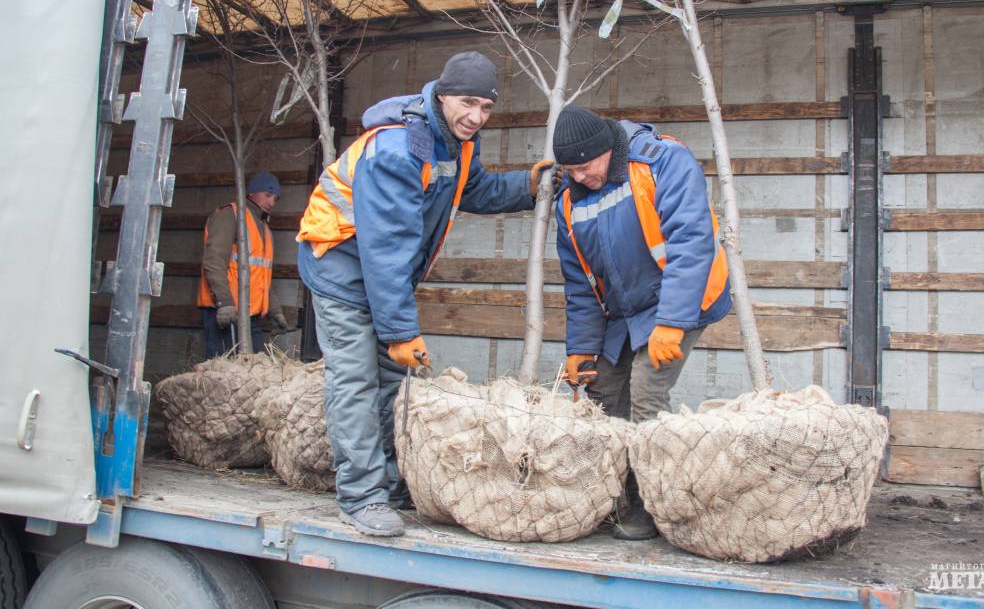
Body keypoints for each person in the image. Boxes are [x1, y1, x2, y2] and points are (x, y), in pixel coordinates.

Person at [296, 51, 554, 537]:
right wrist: (399, 330)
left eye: (485, 107)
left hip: (382, 272)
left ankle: (392, 482)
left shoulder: (457, 143)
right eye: (467, 102)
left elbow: (473, 191)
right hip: (341, 265)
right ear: (442, 95)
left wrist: (530, 184)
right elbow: (386, 247)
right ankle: (361, 496)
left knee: (392, 383)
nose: (476, 116)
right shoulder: (398, 148)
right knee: (355, 380)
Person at [552, 105, 732, 540]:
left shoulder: (662, 161)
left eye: (585, 166)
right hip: (624, 310)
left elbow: (690, 242)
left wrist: (672, 321)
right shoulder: (569, 202)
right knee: (601, 394)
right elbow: (580, 285)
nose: (579, 177)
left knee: (647, 393)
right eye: (569, 170)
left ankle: (652, 505)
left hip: (679, 297)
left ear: (606, 151)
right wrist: (579, 348)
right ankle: (605, 496)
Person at [196, 171, 289, 358]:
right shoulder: (230, 215)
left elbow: (260, 275)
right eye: (268, 195)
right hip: (225, 311)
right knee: (223, 371)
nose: (272, 202)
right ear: (252, 193)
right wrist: (224, 302)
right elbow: (214, 260)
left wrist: (274, 309)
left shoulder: (263, 227)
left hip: (249, 314)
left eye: (275, 198)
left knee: (250, 370)